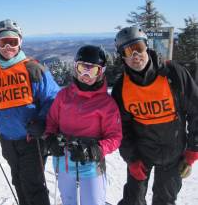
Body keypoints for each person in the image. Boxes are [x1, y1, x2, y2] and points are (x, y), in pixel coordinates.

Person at [112, 26, 198, 205]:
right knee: (133, 200)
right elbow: (122, 129)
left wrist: (192, 151)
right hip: (142, 153)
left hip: (174, 154)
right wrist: (132, 159)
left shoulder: (173, 74)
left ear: (147, 46)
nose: (135, 55)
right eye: (128, 51)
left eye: (138, 47)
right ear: (122, 56)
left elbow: (196, 111)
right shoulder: (122, 89)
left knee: (165, 201)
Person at [0, 19, 59, 205]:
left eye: (13, 41)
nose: (8, 47)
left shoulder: (33, 69)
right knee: (18, 182)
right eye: (3, 42)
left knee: (33, 186)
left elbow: (53, 99)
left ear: (20, 43)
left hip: (31, 140)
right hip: (8, 141)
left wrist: (42, 121)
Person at [45, 45, 122, 205]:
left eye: (92, 70)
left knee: (93, 202)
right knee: (69, 201)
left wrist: (96, 149)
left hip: (91, 165)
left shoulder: (106, 104)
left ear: (101, 72)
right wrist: (51, 138)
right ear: (75, 68)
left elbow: (115, 137)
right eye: (82, 68)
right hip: (63, 161)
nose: (86, 75)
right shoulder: (63, 96)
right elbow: (51, 122)